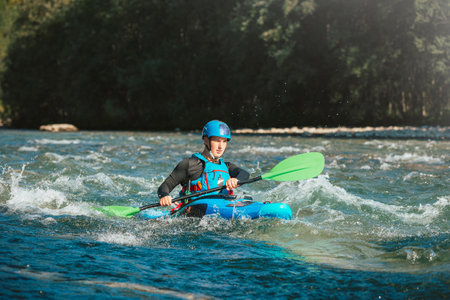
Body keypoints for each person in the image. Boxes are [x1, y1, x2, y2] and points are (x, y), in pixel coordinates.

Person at [158, 120, 250, 207]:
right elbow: (164, 187)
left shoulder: (227, 166)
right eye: (217, 140)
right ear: (206, 140)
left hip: (223, 207)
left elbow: (245, 174)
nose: (220, 146)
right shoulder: (190, 164)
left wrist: (236, 180)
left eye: (224, 141)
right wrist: (164, 196)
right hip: (195, 212)